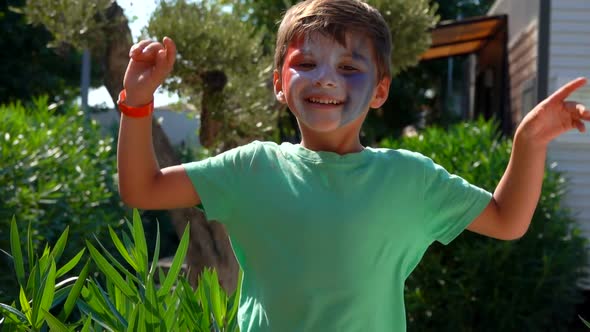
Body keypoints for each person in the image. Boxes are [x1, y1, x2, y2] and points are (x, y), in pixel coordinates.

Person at [116, 0, 589, 330]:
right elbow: (142, 188)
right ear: (280, 82)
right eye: (306, 63)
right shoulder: (251, 168)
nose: (326, 78)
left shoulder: (411, 178)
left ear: (380, 90)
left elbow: (508, 221)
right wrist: (136, 104)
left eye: (349, 67)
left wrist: (529, 141)